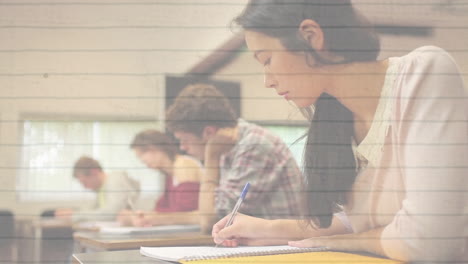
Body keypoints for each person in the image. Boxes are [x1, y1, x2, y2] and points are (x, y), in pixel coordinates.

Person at [211, 0, 468, 262]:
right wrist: (267, 229)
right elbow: (364, 221)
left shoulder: (424, 72)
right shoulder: (337, 118)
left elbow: (431, 242)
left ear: (310, 36)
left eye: (267, 59)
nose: (267, 81)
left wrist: (345, 242)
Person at [165, 83, 304, 233]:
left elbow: (210, 221)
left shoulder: (254, 146)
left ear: (209, 132)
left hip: (283, 249)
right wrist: (156, 219)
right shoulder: (231, 146)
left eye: (184, 139)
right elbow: (210, 210)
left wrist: (211, 158)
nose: (182, 147)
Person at [117, 129, 204, 226]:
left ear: (155, 148)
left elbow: (185, 211)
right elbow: (161, 208)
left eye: (141, 155)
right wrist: (138, 215)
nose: (142, 160)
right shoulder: (170, 174)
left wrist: (144, 217)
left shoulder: (184, 165)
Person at [54, 156, 140, 222]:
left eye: (84, 182)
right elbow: (95, 211)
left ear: (94, 171)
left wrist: (75, 215)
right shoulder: (101, 188)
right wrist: (73, 212)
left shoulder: (115, 179)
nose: (85, 187)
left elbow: (112, 213)